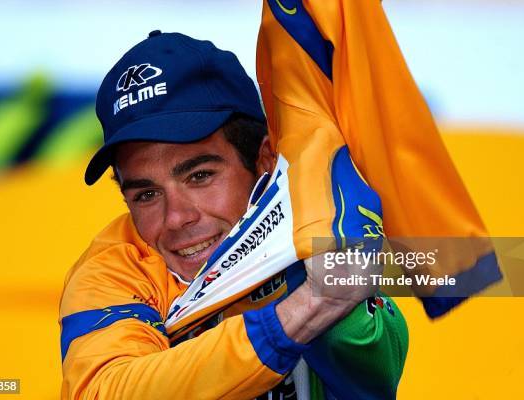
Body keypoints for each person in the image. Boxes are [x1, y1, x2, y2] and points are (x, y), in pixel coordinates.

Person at [59, 30, 407, 399]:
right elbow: (105, 391)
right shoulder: (112, 266)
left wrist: (338, 298)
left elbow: (375, 371)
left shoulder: (314, 222)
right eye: (147, 194)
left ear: (264, 160)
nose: (176, 218)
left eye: (200, 176)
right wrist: (303, 312)